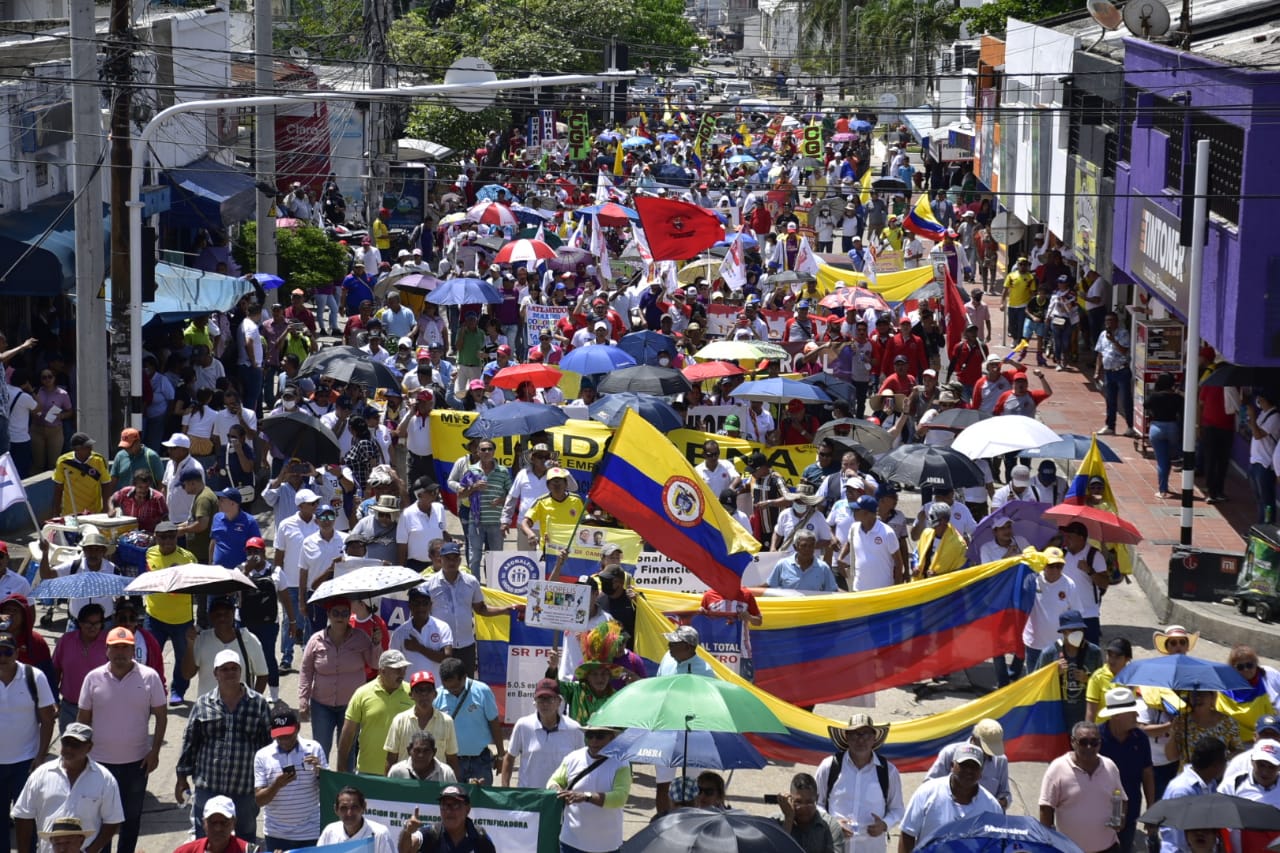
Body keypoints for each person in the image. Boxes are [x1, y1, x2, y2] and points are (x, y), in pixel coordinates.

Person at [75, 627, 166, 853]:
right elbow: (82, 720)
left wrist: (155, 751)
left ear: (133, 650)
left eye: (125, 647)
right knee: (100, 819)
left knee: (131, 818)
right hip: (98, 763)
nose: (120, 653)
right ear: (106, 650)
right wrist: (80, 756)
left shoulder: (150, 677)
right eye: (115, 647)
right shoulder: (92, 678)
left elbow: (161, 716)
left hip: (136, 763)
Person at [176, 649, 272, 841]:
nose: (230, 673)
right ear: (215, 673)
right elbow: (190, 742)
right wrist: (181, 778)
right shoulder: (203, 704)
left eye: (234, 668)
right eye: (224, 669)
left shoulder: (258, 704)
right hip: (208, 785)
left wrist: (267, 782)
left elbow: (268, 747)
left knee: (245, 839)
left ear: (241, 671)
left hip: (245, 787)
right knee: (205, 839)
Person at [298, 597, 378, 766]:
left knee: (347, 752)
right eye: (335, 613)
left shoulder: (361, 638)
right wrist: (303, 700)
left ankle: (346, 789)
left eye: (344, 613)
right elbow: (306, 671)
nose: (340, 617)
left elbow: (375, 663)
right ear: (328, 614)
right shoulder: (315, 640)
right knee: (320, 750)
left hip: (352, 706)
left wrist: (376, 643)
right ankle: (322, 787)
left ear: (350, 615)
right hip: (321, 705)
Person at [0, 629, 56, 848]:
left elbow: (48, 719)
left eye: (7, 652)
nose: (2, 657)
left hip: (26, 762)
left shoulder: (34, 677)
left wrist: (41, 756)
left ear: (16, 653)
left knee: (27, 819)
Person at [814, 714, 903, 852]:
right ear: (847, 738)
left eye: (866, 734)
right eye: (855, 734)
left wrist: (884, 825)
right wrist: (832, 824)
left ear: (874, 738)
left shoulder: (888, 771)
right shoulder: (829, 767)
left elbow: (897, 809)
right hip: (834, 847)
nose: (861, 739)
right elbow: (815, 804)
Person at [421, 543, 510, 677]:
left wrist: (506, 610)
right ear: (440, 560)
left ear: (459, 560)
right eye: (448, 558)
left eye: (455, 558)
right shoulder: (429, 585)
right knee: (440, 686)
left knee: (466, 686)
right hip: (439, 646)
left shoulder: (471, 582)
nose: (451, 562)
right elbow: (422, 616)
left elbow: (481, 609)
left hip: (466, 645)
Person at [1038, 720, 1126, 853]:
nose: (1089, 747)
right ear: (1073, 742)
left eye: (1094, 742)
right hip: (1069, 849)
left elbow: (1120, 797)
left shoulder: (1110, 766)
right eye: (1084, 742)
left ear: (1100, 744)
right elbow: (1046, 807)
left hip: (1108, 848)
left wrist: (1121, 817)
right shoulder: (1058, 768)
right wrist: (1048, 841)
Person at [899, 742, 1001, 852]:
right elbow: (907, 834)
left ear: (981, 772)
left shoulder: (992, 807)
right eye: (964, 765)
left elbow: (996, 845)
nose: (969, 770)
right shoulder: (926, 792)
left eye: (974, 766)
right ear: (952, 766)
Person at [547, 724, 632, 853]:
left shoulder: (621, 763)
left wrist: (586, 797)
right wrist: (558, 791)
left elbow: (620, 798)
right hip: (570, 842)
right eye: (589, 735)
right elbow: (553, 781)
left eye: (600, 736)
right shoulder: (572, 758)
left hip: (606, 846)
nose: (593, 741)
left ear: (612, 738)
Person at [253, 709, 327, 851]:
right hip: (276, 834)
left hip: (309, 832)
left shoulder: (314, 748)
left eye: (288, 735)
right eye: (279, 736)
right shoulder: (262, 756)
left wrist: (320, 772)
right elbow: (259, 800)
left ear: (298, 728)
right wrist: (277, 785)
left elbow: (328, 792)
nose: (284, 741)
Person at [336, 649, 415, 774]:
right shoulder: (362, 693)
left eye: (404, 669)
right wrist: (341, 767)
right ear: (382, 670)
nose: (402, 673)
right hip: (368, 771)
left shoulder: (412, 693)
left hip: (404, 773)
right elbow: (348, 733)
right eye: (397, 669)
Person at [1097, 687, 1156, 853]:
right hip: (1100, 812)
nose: (1137, 716)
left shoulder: (1141, 739)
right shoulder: (1095, 740)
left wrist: (1151, 809)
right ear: (1116, 715)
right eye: (1132, 712)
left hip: (1130, 810)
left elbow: (1148, 774)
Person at [502, 677, 584, 789]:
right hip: (528, 798)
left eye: (550, 699)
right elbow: (509, 757)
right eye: (541, 699)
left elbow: (582, 762)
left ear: (559, 701)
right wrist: (505, 788)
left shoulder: (574, 729)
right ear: (535, 702)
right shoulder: (523, 725)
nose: (545, 704)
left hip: (561, 797)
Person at [435, 656, 504, 786]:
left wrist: (500, 755)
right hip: (451, 762)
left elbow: (494, 723)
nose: (452, 691)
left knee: (480, 803)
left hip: (480, 762)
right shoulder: (437, 696)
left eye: (455, 687)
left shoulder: (482, 691)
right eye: (448, 688)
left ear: (464, 677)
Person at [184, 596, 269, 697]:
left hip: (239, 710)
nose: (222, 618)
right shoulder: (201, 639)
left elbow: (262, 675)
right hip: (208, 709)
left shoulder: (249, 640)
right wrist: (190, 645)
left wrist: (252, 703)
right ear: (210, 616)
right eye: (218, 614)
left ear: (233, 614)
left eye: (226, 613)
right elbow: (187, 674)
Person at [1035, 610, 1104, 732]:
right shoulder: (1049, 653)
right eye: (1073, 631)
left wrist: (1088, 679)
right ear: (1063, 632)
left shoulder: (1094, 653)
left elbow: (1103, 684)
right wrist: (1054, 675)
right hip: (1057, 716)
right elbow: (1036, 685)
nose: (1078, 634)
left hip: (1084, 716)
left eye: (1080, 630)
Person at [383, 670, 460, 775]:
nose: (424, 694)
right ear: (411, 695)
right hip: (406, 783)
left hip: (436, 784)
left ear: (435, 694)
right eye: (419, 690)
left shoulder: (447, 721)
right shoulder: (399, 720)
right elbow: (391, 758)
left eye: (428, 690)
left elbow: (452, 759)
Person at [1159, 737, 1227, 853]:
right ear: (1216, 765)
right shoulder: (1181, 791)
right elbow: (1180, 839)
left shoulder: (1211, 783)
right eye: (1225, 761)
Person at [924, 720, 1010, 810]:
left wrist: (1000, 803)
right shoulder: (950, 753)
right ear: (974, 739)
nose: (989, 753)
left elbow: (1005, 793)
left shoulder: (1000, 761)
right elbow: (928, 786)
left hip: (985, 818)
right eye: (986, 748)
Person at [51, 603, 109, 729]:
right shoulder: (66, 640)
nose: (92, 627)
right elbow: (55, 671)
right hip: (69, 707)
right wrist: (53, 700)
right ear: (80, 623)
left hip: (100, 709)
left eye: (97, 623)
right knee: (69, 747)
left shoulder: (109, 642)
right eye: (88, 623)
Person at [1219, 738, 1280, 853]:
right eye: (1261, 765)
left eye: (1271, 767)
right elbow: (1220, 821)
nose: (1265, 772)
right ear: (1252, 761)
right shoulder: (1232, 785)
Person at [397, 786, 496, 853]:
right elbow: (406, 850)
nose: (448, 811)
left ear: (467, 809)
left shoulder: (480, 837)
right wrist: (407, 831)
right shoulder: (431, 833)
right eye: (444, 805)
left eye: (455, 805)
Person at [838, 495, 903, 591]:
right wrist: (841, 557)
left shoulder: (887, 533)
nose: (853, 513)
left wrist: (896, 590)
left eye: (856, 510)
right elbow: (849, 542)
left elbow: (898, 564)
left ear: (866, 513)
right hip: (858, 589)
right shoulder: (854, 528)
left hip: (882, 591)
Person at [1060, 521, 1110, 646]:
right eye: (1066, 536)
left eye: (1070, 536)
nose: (1067, 539)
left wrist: (1090, 571)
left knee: (1090, 652)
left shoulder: (1094, 555)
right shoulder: (1062, 554)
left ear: (1081, 538)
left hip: (1088, 614)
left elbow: (1104, 583)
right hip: (1066, 614)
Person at [391, 588, 454, 684]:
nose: (420, 607)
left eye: (425, 603)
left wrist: (418, 647)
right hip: (410, 691)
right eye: (416, 603)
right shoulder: (399, 633)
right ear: (409, 605)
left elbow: (446, 658)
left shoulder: (442, 627)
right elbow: (393, 664)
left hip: (436, 689)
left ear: (430, 605)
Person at [1168, 690, 1243, 768]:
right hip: (1189, 777)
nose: (1198, 697)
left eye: (1203, 693)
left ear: (1213, 697)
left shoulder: (1228, 722)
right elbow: (1171, 757)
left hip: (1217, 776)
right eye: (1194, 693)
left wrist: (1222, 757)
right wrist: (1173, 734)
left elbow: (1239, 751)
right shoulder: (1181, 721)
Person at [1094, 312, 1140, 438]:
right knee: (1110, 400)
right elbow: (1100, 354)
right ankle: (1110, 426)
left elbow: (1124, 350)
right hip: (1109, 372)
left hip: (1121, 371)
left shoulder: (1123, 333)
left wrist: (1113, 340)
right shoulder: (1103, 335)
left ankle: (1131, 426)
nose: (1108, 323)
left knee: (1126, 400)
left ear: (1116, 322)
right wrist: (1098, 371)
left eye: (1111, 320)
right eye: (1107, 321)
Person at [777, 772, 845, 853]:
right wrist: (788, 820)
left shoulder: (830, 827)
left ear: (816, 798)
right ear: (790, 799)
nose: (804, 808)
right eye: (798, 802)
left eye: (809, 802)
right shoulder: (776, 823)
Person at [318, 786, 396, 853]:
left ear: (364, 807)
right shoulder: (329, 832)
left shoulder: (380, 834)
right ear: (336, 810)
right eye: (344, 808)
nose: (349, 813)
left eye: (354, 807)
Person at [52, 432, 113, 516]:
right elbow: (58, 487)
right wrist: (56, 512)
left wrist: (107, 509)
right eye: (86, 447)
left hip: (93, 512)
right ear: (76, 449)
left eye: (90, 446)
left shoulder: (98, 460)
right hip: (71, 513)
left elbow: (106, 485)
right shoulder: (63, 462)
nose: (91, 448)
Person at [1146, 372, 1184, 499]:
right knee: (1169, 458)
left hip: (1156, 427)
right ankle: (1176, 458)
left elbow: (1146, 406)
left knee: (1161, 460)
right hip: (1172, 427)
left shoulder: (1154, 396)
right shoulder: (1177, 398)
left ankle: (1162, 490)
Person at [764, 529, 839, 592]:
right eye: (804, 546)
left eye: (811, 546)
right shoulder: (782, 565)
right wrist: (752, 592)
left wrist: (850, 597)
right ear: (795, 547)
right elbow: (769, 587)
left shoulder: (823, 568)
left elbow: (833, 591)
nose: (808, 549)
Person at [171, 796, 252, 853]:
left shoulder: (248, 851)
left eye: (224, 822)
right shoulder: (185, 851)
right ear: (204, 823)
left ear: (233, 823)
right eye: (212, 822)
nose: (218, 828)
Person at [1086, 638, 1134, 722]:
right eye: (1109, 655)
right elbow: (1091, 712)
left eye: (1117, 657)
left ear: (1127, 659)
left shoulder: (1134, 677)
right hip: (1103, 731)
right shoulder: (1097, 677)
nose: (1112, 660)